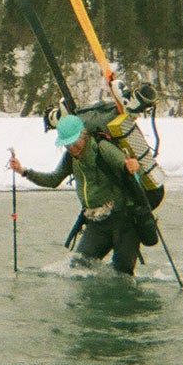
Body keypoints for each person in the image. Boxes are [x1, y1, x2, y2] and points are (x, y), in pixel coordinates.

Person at [9, 113, 148, 276]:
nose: (71, 148)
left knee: (123, 273)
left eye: (74, 142)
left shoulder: (102, 148)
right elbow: (53, 180)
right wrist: (23, 171)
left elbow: (131, 170)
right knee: (78, 268)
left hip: (124, 220)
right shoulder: (70, 158)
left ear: (83, 135)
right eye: (67, 144)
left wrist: (132, 166)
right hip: (97, 222)